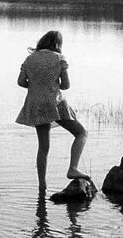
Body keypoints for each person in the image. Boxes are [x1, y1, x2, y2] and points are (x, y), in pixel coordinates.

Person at [16, 30, 89, 190]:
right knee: (81, 133)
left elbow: (21, 82)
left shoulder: (30, 59)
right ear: (57, 44)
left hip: (36, 103)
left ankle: (42, 185)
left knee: (43, 146)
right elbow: (66, 85)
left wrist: (36, 86)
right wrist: (51, 85)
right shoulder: (59, 59)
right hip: (54, 103)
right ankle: (73, 169)